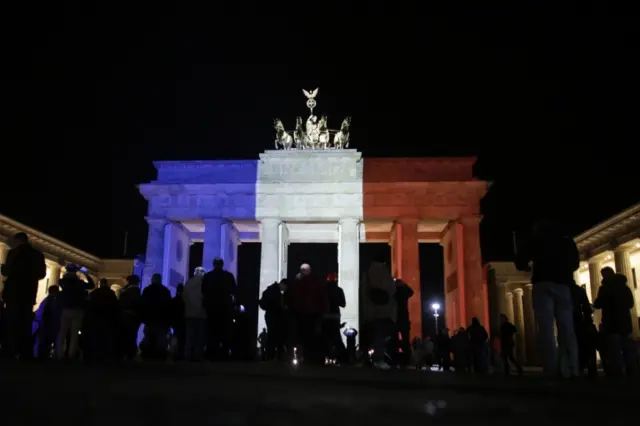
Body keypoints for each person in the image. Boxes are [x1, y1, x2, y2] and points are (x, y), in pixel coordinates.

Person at [515, 220, 580, 378]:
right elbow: (575, 263)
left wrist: (527, 267)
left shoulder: (536, 239)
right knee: (567, 327)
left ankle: (551, 369)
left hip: (542, 283)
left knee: (546, 328)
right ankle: (571, 368)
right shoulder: (566, 240)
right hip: (562, 284)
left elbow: (520, 261)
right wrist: (563, 269)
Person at [1, 232, 47, 360]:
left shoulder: (13, 253)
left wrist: (4, 268)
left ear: (18, 240)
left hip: (13, 292)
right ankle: (24, 352)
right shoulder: (37, 255)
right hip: (28, 292)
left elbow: (6, 271)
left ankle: (11, 350)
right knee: (25, 323)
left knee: (11, 322)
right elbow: (41, 274)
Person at [594, 267, 636, 377]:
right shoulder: (625, 287)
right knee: (626, 346)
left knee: (614, 348)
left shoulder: (604, 288)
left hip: (611, 322)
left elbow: (598, 304)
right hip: (624, 321)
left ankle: (618, 371)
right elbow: (631, 303)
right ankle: (631, 369)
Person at [360, 251, 397, 370]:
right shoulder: (382, 271)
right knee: (380, 336)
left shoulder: (368, 272)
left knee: (371, 335)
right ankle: (379, 359)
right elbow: (390, 290)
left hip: (371, 311)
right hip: (382, 310)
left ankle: (365, 357)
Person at [288, 264, 329, 365]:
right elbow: (323, 297)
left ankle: (307, 358)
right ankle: (313, 358)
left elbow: (294, 297)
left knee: (304, 337)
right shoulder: (316, 282)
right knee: (313, 337)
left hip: (304, 314)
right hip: (313, 313)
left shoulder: (300, 282)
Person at [201, 257, 236, 361]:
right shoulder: (228, 276)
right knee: (225, 332)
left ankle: (211, 353)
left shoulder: (207, 276)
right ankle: (225, 353)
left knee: (212, 332)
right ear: (222, 264)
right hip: (225, 308)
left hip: (211, 308)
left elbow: (203, 291)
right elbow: (234, 290)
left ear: (213, 264)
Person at [57, 264, 94, 360]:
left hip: (65, 309)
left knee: (62, 332)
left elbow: (62, 279)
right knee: (74, 334)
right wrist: (85, 274)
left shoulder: (62, 282)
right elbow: (91, 285)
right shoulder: (80, 283)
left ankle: (59, 354)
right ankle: (71, 354)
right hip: (77, 309)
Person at [139, 273, 172, 360]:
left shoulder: (147, 290)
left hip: (150, 319)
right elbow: (169, 306)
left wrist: (143, 317)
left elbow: (143, 304)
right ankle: (159, 355)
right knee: (160, 339)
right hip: (161, 320)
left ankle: (148, 354)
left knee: (149, 336)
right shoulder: (165, 291)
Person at [85, 278, 119, 361]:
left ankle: (96, 354)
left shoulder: (95, 293)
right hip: (108, 318)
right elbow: (115, 306)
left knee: (96, 336)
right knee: (106, 337)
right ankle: (105, 354)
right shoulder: (111, 293)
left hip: (96, 317)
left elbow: (89, 304)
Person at [259, 279, 289, 361]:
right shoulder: (275, 292)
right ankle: (272, 356)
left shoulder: (271, 289)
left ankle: (270, 356)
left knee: (272, 335)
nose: (285, 289)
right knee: (274, 335)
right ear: (283, 284)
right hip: (273, 315)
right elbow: (277, 305)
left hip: (270, 315)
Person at [183, 267, 207, 362]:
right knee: (199, 338)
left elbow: (184, 297)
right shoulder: (204, 284)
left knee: (189, 337)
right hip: (201, 314)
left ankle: (187, 356)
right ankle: (197, 356)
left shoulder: (188, 283)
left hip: (189, 314)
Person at [33, 285, 61, 360]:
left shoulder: (46, 300)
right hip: (49, 324)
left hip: (45, 324)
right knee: (47, 341)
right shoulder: (52, 300)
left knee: (45, 342)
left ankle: (41, 356)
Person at [118, 275, 142, 361]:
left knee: (126, 335)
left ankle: (126, 354)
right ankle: (130, 355)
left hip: (127, 316)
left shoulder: (127, 291)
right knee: (132, 336)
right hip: (133, 317)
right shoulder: (136, 291)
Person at [394, 278, 414, 367]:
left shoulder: (393, 292)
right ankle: (407, 360)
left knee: (394, 339)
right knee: (406, 340)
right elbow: (411, 292)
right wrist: (404, 284)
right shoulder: (404, 292)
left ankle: (394, 359)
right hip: (404, 318)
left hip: (395, 318)